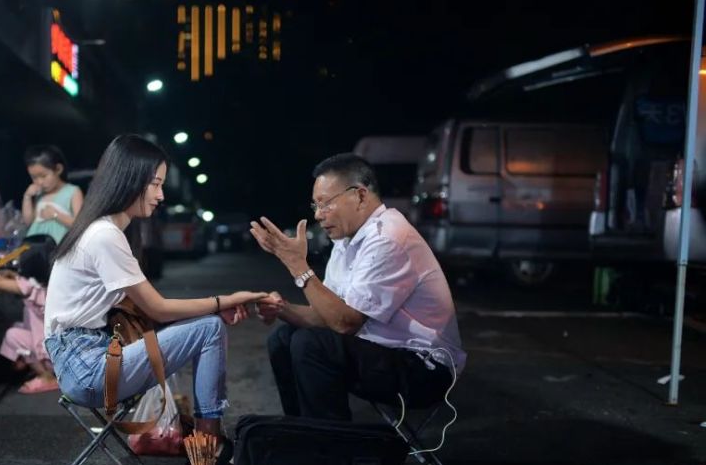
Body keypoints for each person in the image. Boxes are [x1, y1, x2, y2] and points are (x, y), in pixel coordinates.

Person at [44, 134, 266, 442]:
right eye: (155, 184)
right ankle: (208, 447)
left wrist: (213, 309)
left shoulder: (101, 230)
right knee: (210, 329)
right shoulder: (104, 235)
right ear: (130, 180)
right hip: (87, 369)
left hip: (83, 360)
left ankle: (207, 445)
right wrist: (226, 300)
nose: (161, 195)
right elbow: (157, 308)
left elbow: (148, 311)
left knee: (206, 325)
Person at [250, 153, 465, 421]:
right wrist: (281, 308)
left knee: (312, 345)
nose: (318, 214)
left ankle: (332, 443)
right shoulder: (346, 241)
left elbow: (345, 323)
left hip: (424, 367)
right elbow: (328, 316)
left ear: (360, 195)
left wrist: (298, 266)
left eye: (325, 203)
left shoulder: (387, 238)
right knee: (283, 338)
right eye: (315, 205)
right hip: (381, 350)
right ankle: (303, 433)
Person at [0, 239, 58, 394]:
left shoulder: (30, 287)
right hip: (59, 347)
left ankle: (46, 376)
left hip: (49, 353)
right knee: (18, 326)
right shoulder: (48, 283)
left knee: (13, 336)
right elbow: (27, 282)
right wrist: (14, 275)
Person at [21, 144, 84, 245]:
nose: (40, 182)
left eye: (43, 176)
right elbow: (29, 222)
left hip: (59, 245)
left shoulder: (72, 191)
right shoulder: (40, 195)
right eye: (34, 178)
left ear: (58, 169)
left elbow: (80, 225)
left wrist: (55, 215)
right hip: (37, 245)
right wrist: (27, 197)